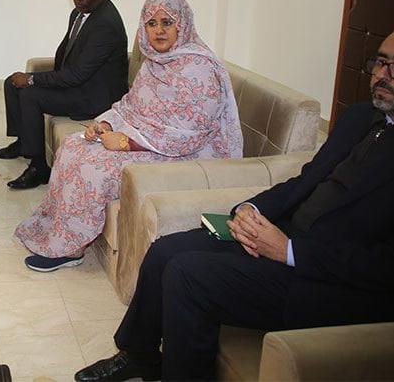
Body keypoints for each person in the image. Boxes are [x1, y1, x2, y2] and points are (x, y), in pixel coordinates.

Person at [74, 31, 394, 382]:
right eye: (381, 62)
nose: (383, 75)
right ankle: (141, 356)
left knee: (187, 275)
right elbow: (307, 180)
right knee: (164, 251)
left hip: (332, 283)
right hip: (287, 235)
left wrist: (290, 251)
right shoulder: (360, 117)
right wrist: (251, 209)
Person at [15, 0, 243, 272]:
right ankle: (56, 230)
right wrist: (106, 125)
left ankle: (70, 248)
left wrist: (126, 143)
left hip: (185, 157)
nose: (158, 31)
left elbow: (189, 135)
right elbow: (130, 106)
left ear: (182, 25)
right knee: (73, 146)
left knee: (93, 167)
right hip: (149, 142)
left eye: (167, 22)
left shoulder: (201, 69)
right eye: (151, 23)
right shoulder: (154, 62)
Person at [0, 0, 128, 190]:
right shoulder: (79, 13)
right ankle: (23, 142)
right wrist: (41, 78)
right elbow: (65, 53)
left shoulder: (106, 24)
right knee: (12, 82)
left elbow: (78, 74)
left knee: (31, 95)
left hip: (93, 96)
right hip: (78, 83)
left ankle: (38, 168)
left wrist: (33, 80)